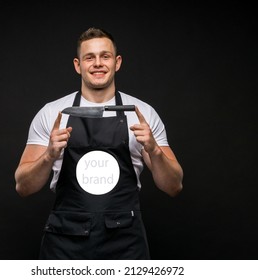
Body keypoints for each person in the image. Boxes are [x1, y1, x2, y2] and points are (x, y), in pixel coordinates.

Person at [14, 27, 183, 260]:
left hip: (125, 243)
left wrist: (153, 150)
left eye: (105, 56)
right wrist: (49, 155)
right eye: (89, 57)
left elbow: (174, 186)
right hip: (66, 242)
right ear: (77, 65)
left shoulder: (142, 113)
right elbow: (23, 187)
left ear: (117, 62)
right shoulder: (53, 113)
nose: (98, 63)